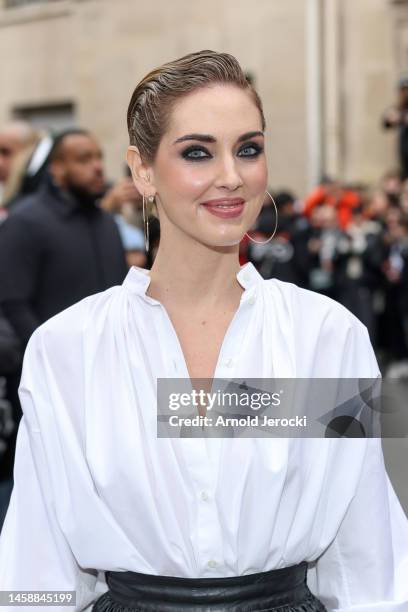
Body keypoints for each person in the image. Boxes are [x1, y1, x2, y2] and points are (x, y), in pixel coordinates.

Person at [0, 50, 407, 612]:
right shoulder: (68, 348)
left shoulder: (325, 336)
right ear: (142, 170)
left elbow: (366, 561)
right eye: (197, 152)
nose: (231, 176)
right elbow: (35, 566)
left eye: (249, 149)